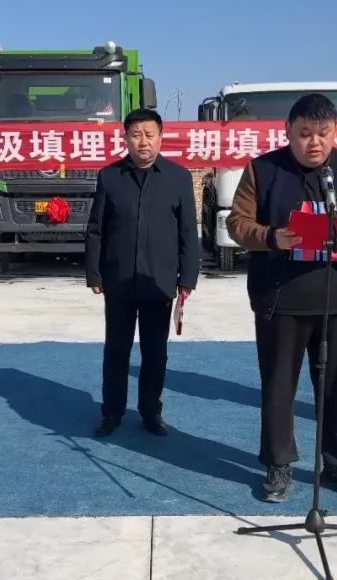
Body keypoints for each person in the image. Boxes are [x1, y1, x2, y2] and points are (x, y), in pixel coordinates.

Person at [225, 94, 337, 502]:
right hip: (282, 300)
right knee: (279, 387)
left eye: (323, 134)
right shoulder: (263, 169)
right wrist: (271, 236)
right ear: (288, 132)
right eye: (305, 134)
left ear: (336, 133)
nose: (314, 142)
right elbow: (237, 222)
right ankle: (279, 464)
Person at [85, 108, 200, 437]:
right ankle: (111, 412)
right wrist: (94, 273)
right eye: (136, 135)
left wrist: (187, 278)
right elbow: (96, 230)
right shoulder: (110, 177)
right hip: (118, 280)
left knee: (155, 352)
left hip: (159, 281)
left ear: (161, 137)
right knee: (116, 350)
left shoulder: (178, 177)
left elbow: (188, 233)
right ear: (126, 139)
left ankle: (151, 411)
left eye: (149, 135)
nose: (143, 142)